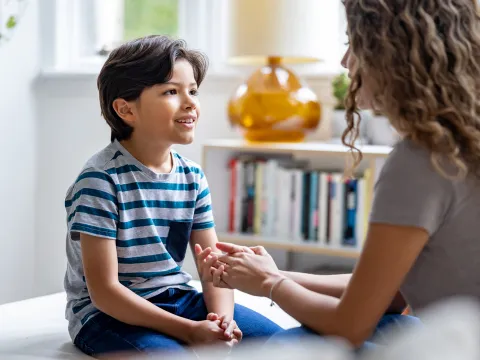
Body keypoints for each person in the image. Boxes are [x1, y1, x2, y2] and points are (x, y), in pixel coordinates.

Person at [196, 0, 480, 351]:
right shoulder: (463, 142)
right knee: (389, 323)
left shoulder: (420, 160)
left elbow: (349, 326)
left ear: (391, 52)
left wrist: (269, 283)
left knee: (290, 342)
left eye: (353, 44)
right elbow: (389, 294)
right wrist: (270, 272)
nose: (346, 62)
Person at [63, 35, 282, 358]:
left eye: (192, 90)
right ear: (126, 109)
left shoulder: (192, 177)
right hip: (106, 316)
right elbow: (105, 293)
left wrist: (222, 322)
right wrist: (190, 331)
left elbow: (214, 270)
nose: (190, 102)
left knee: (287, 345)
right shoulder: (100, 181)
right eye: (171, 91)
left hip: (178, 298)